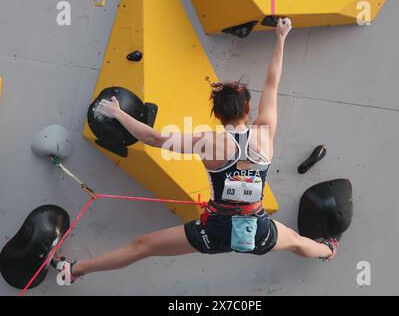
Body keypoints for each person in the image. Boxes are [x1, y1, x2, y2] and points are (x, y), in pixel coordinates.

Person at [51, 17, 339, 283]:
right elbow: (273, 83)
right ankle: (329, 251)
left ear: (216, 115)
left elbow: (152, 138)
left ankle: (74, 271)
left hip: (212, 232)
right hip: (258, 232)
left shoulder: (207, 141)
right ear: (249, 109)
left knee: (142, 246)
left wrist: (117, 113)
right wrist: (281, 37)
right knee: (300, 243)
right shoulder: (264, 133)